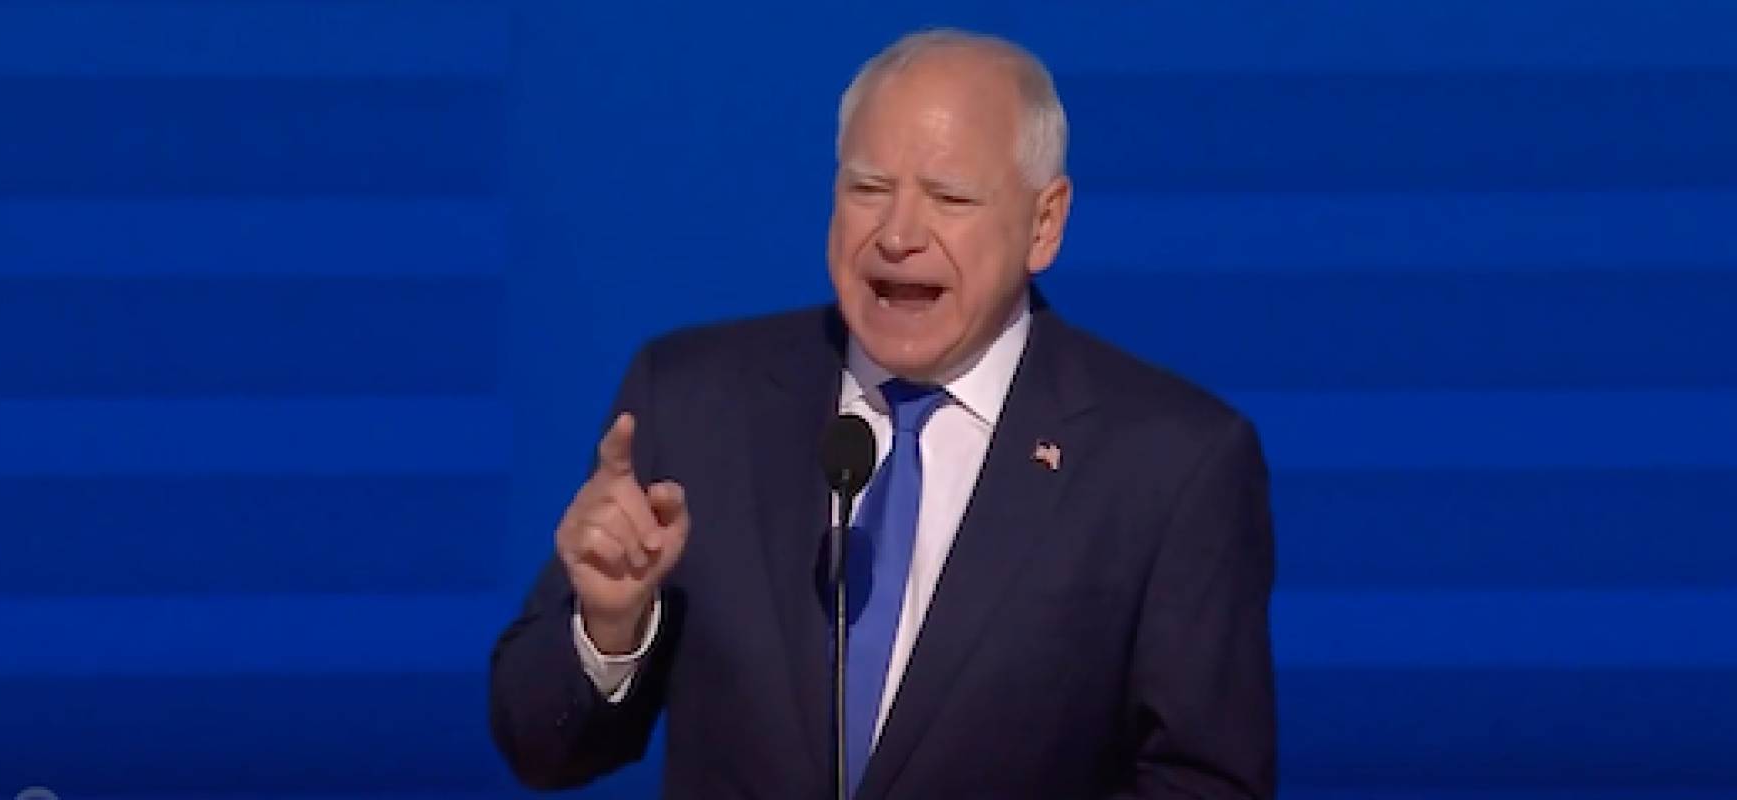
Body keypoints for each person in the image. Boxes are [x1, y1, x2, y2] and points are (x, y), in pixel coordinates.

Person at [489, 28, 1276, 799]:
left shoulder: (1171, 463)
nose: (896, 235)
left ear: (1044, 223)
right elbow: (539, 746)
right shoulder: (694, 402)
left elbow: (1206, 780)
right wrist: (608, 631)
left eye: (949, 197)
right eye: (867, 189)